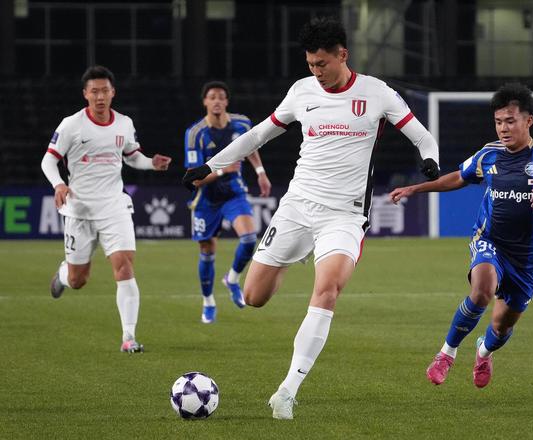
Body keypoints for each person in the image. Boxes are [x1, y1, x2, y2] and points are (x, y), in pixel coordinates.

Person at [183, 17, 440, 419]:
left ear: (343, 55)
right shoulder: (302, 91)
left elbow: (422, 136)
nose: (316, 72)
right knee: (254, 297)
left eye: (322, 63)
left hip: (344, 215)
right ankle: (293, 255)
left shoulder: (377, 93)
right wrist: (210, 166)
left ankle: (287, 390)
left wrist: (430, 160)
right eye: (310, 65)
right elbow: (259, 134)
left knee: (327, 290)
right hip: (298, 207)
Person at [389, 83, 533, 388]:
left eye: (510, 121)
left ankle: (484, 352)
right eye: (498, 122)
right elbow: (459, 177)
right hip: (489, 240)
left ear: (529, 121)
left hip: (525, 256)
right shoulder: (489, 154)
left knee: (501, 326)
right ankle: (446, 353)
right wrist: (415, 188)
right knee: (483, 289)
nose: (503, 129)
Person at [41, 65, 172, 353]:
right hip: (80, 210)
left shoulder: (124, 123)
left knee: (124, 265)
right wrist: (58, 184)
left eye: (105, 91)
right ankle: (63, 275)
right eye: (94, 91)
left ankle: (129, 338)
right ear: (85, 94)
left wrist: (151, 163)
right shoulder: (71, 125)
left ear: (113, 92)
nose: (100, 97)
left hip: (114, 206)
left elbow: (131, 156)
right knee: (78, 280)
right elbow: (48, 160)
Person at [184, 80, 272, 323]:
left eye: (221, 97)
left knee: (249, 238)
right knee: (207, 250)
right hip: (206, 199)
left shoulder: (242, 124)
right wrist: (223, 170)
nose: (217, 101)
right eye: (212, 97)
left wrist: (260, 172)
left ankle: (232, 278)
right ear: (205, 102)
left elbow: (250, 146)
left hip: (234, 193)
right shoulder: (195, 134)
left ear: (227, 102)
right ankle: (208, 302)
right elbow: (194, 179)